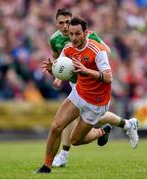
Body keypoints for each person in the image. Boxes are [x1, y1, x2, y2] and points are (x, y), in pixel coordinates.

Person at [37, 17, 139, 174]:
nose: (73, 38)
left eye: (77, 34)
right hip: (78, 93)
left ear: (85, 33)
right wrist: (55, 70)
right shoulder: (68, 49)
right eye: (71, 34)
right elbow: (65, 70)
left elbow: (108, 77)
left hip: (96, 102)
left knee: (75, 140)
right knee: (56, 126)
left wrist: (86, 70)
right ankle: (46, 166)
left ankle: (101, 132)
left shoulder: (97, 50)